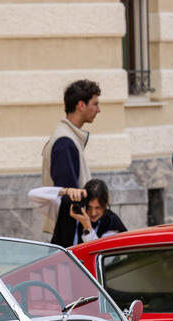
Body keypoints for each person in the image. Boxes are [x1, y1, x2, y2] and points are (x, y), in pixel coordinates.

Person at [42, 79, 101, 247]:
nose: (99, 109)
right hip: (70, 239)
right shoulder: (65, 142)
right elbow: (70, 201)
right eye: (95, 104)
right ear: (81, 105)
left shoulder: (68, 138)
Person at [66, 179, 127, 246]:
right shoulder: (73, 212)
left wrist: (87, 228)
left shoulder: (111, 222)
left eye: (98, 208)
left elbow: (100, 251)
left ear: (106, 203)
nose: (93, 213)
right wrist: (66, 191)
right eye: (89, 207)